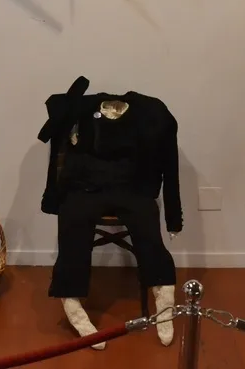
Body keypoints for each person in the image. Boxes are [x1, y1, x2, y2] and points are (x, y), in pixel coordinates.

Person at [37, 76, 182, 349]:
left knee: (149, 231)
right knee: (73, 229)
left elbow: (170, 165)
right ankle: (72, 303)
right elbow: (55, 120)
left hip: (131, 187)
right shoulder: (80, 111)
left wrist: (174, 217)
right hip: (85, 186)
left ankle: (164, 298)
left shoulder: (150, 114)